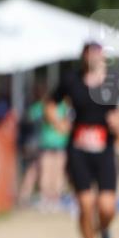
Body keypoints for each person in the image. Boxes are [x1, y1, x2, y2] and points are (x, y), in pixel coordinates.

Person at [46, 43, 119, 238]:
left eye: (98, 53)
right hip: (78, 148)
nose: (93, 57)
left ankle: (105, 231)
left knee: (107, 206)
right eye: (89, 53)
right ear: (83, 56)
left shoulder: (114, 80)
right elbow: (50, 104)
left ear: (104, 57)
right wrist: (57, 121)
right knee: (85, 204)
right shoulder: (71, 80)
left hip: (105, 148)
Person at [25, 84, 70, 212]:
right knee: (46, 172)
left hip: (60, 145)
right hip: (46, 145)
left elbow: (67, 124)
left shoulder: (63, 107)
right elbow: (31, 115)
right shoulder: (43, 106)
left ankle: (55, 198)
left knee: (58, 173)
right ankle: (46, 198)